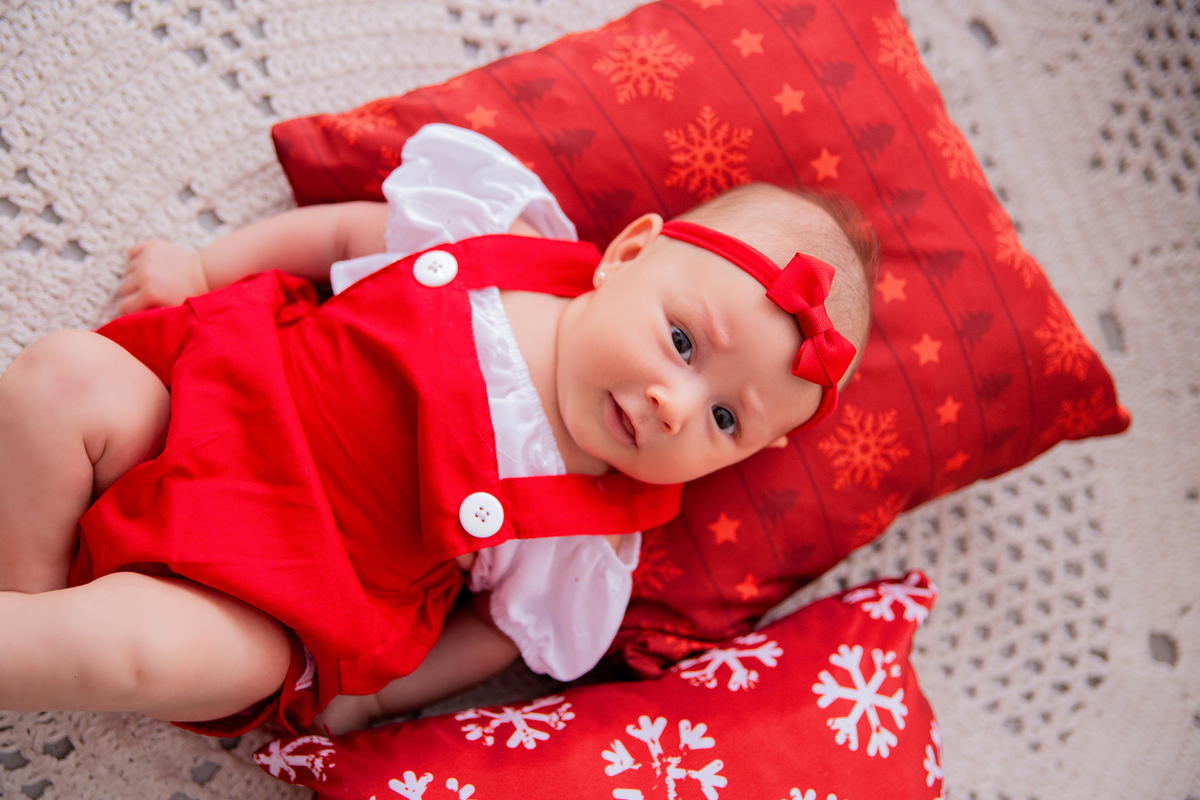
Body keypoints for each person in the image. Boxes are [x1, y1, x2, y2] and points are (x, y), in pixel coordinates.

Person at [0, 124, 876, 736]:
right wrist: (202, 268)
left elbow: (498, 632)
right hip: (207, 407)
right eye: (682, 342)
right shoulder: (495, 236)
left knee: (141, 650)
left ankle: (42, 636)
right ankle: (32, 593)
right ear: (628, 255)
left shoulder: (596, 530)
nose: (673, 404)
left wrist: (377, 704)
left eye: (724, 419)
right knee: (62, 377)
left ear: (751, 454)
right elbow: (345, 229)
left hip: (277, 598)